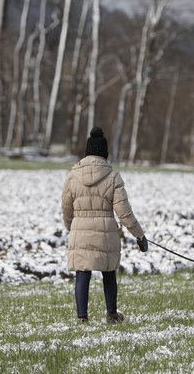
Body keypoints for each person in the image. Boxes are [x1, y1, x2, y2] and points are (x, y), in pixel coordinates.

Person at [61, 126, 148, 324]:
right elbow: (124, 213)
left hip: (80, 231)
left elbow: (66, 210)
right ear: (105, 153)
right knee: (109, 272)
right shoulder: (113, 177)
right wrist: (139, 235)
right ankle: (112, 314)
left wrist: (71, 228)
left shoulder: (72, 176)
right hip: (106, 233)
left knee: (82, 273)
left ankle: (81, 318)